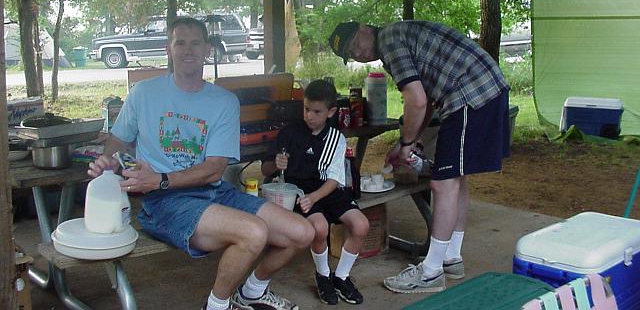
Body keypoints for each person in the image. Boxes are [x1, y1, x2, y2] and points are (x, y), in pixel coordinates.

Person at [88, 17, 314, 310]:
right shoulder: (144, 93)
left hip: (214, 191)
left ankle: (253, 291)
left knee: (302, 233)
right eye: (179, 42)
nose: (187, 49)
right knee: (253, 232)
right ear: (168, 48)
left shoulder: (223, 101)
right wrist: (109, 159)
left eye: (195, 42)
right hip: (163, 201)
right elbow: (119, 139)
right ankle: (216, 306)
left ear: (207, 48)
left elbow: (215, 168)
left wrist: (161, 177)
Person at [328, 20, 510, 293]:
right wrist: (410, 144)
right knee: (455, 178)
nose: (359, 54)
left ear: (366, 29)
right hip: (483, 88)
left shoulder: (388, 40)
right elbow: (425, 101)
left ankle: (430, 272)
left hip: (469, 93)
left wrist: (406, 142)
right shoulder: (399, 36)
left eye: (356, 45)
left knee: (443, 183)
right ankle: (451, 256)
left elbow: (416, 100)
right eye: (352, 55)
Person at [261, 79, 370, 305]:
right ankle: (323, 275)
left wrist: (315, 197)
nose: (309, 115)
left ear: (331, 111)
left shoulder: (335, 138)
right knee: (319, 228)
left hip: (326, 189)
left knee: (361, 225)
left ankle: (341, 277)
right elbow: (266, 168)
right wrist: (276, 164)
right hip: (299, 190)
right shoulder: (289, 133)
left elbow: (334, 180)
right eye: (306, 109)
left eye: (316, 111)